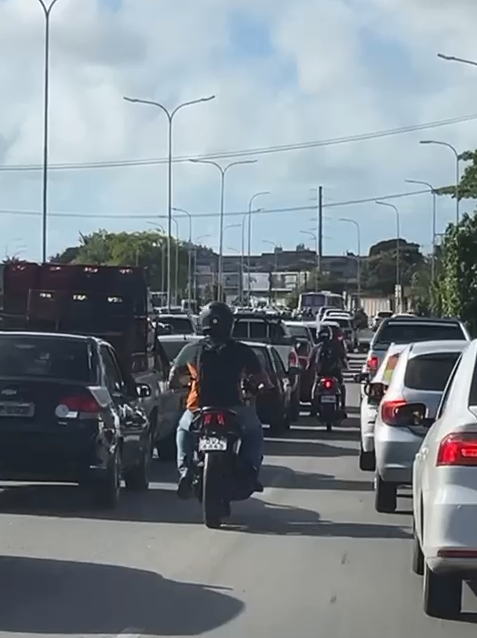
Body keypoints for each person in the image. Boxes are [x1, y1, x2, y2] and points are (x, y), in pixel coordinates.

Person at [169, 301, 274, 499]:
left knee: (183, 430)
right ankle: (249, 471)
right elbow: (263, 380)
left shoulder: (191, 349)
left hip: (198, 409)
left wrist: (182, 386)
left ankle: (185, 471)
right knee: (254, 432)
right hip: (234, 408)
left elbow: (173, 378)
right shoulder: (242, 350)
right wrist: (263, 388)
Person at [307, 325, 347, 411]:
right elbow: (343, 357)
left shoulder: (317, 347)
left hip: (321, 373)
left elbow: (310, 361)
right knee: (341, 385)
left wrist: (309, 368)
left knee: (315, 387)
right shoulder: (336, 345)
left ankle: (313, 407)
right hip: (334, 372)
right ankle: (343, 406)